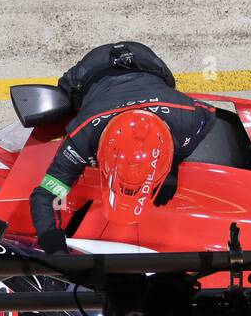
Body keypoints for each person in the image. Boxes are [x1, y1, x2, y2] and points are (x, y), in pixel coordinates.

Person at [30, 40, 215, 254]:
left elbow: (208, 117)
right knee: (64, 102)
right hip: (90, 72)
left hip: (149, 62)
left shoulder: (191, 118)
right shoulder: (81, 137)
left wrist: (172, 168)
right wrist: (54, 246)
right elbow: (44, 195)